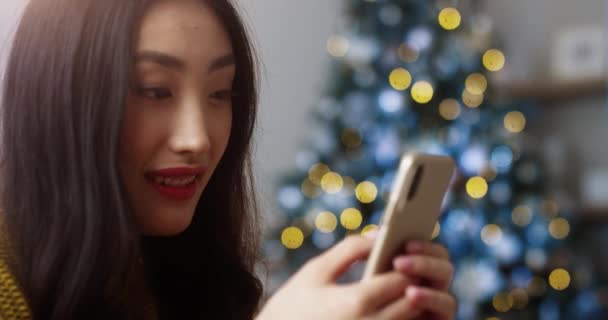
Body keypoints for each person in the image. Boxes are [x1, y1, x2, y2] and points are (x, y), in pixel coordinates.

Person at [0, 0, 456, 319]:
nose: (197, 138)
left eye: (221, 93)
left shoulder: (183, 275)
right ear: (57, 99)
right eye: (155, 90)